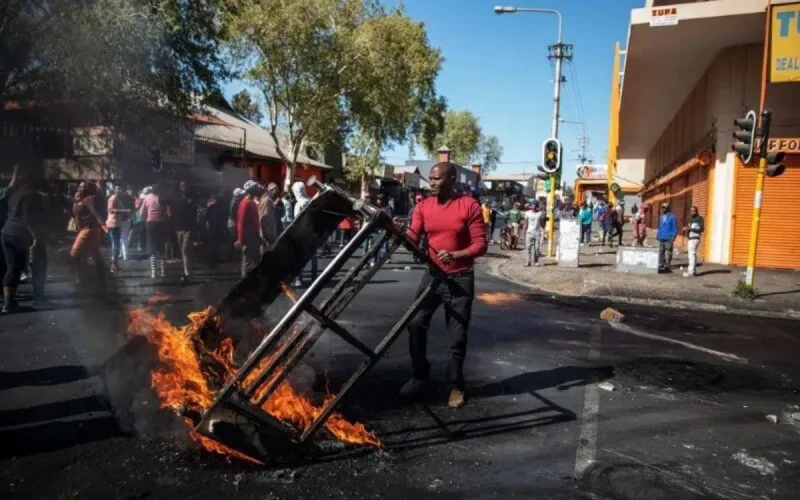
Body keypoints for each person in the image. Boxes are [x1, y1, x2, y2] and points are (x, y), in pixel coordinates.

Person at [401, 161, 488, 409]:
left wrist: (457, 254)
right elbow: (412, 238)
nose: (432, 183)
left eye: (437, 179)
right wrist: (400, 232)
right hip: (432, 276)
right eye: (430, 178)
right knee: (415, 324)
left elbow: (480, 244)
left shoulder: (469, 205)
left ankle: (456, 386)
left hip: (460, 278)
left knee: (457, 337)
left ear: (451, 180)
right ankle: (420, 374)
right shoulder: (424, 206)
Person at [2, 170, 47, 313]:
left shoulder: (14, 193)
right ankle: (39, 301)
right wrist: (36, 237)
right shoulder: (33, 196)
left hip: (7, 232)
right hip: (24, 235)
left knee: (12, 269)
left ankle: (9, 304)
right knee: (39, 266)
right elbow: (27, 218)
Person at [71, 181, 107, 284]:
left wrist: (103, 226)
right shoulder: (81, 199)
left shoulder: (91, 199)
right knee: (95, 253)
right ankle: (101, 275)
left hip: (89, 229)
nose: (80, 188)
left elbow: (96, 214)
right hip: (86, 229)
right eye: (79, 186)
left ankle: (82, 277)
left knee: (74, 253)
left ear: (88, 189)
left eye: (83, 187)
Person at [235, 180, 263, 278]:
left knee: (255, 262)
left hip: (254, 238)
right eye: (256, 188)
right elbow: (241, 223)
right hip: (248, 239)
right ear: (251, 190)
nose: (258, 189)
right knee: (247, 263)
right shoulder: (245, 203)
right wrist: (240, 240)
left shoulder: (251, 202)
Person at [140, 184, 168, 279]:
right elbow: (167, 213)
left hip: (150, 224)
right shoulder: (162, 199)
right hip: (161, 224)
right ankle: (163, 272)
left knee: (152, 249)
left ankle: (153, 273)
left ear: (152, 191)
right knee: (161, 248)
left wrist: (146, 219)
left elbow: (141, 213)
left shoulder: (147, 199)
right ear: (159, 191)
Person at [291, 181, 315, 287]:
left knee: (299, 257)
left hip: (302, 233)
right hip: (312, 231)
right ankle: (314, 277)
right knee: (313, 256)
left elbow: (296, 220)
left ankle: (299, 279)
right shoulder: (311, 201)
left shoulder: (298, 204)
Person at [172, 181, 197, 282]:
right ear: (179, 187)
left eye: (185, 185)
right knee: (184, 251)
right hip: (179, 228)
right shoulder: (177, 198)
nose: (184, 188)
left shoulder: (192, 198)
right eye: (182, 186)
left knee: (185, 250)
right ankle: (187, 269)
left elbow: (194, 213)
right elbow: (174, 212)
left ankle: (188, 272)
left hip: (188, 228)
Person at [106, 184, 131, 273]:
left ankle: (115, 264)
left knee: (116, 245)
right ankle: (113, 265)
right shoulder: (112, 198)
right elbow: (110, 210)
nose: (119, 191)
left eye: (120, 189)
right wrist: (124, 211)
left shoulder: (117, 199)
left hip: (117, 224)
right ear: (114, 190)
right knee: (115, 245)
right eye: (117, 189)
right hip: (113, 224)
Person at [683, 206, 705, 277]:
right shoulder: (691, 219)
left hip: (695, 239)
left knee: (691, 255)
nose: (692, 212)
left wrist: (690, 228)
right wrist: (686, 229)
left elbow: (701, 229)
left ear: (696, 211)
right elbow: (689, 229)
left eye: (694, 211)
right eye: (691, 211)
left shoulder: (699, 219)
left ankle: (691, 272)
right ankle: (693, 271)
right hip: (691, 238)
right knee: (692, 255)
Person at [522, 200, 545, 267]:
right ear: (530, 206)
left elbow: (542, 224)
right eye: (532, 205)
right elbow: (525, 224)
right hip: (529, 232)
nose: (533, 207)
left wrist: (543, 219)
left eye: (534, 205)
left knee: (536, 248)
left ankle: (536, 262)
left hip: (537, 233)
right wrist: (523, 234)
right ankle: (527, 262)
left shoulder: (540, 213)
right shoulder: (527, 213)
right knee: (528, 248)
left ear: (536, 206)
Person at [656, 201, 678, 272]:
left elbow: (674, 228)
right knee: (661, 251)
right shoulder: (661, 217)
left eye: (665, 208)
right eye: (662, 208)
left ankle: (668, 265)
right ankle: (661, 264)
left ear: (668, 208)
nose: (663, 209)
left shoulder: (672, 217)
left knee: (668, 252)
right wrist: (658, 235)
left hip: (669, 237)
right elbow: (659, 227)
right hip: (662, 237)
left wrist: (673, 236)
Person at [258, 182, 280, 250]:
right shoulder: (267, 201)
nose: (276, 193)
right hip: (267, 235)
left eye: (276, 190)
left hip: (269, 233)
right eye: (274, 190)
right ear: (270, 191)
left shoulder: (268, 200)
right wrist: (269, 237)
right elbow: (264, 218)